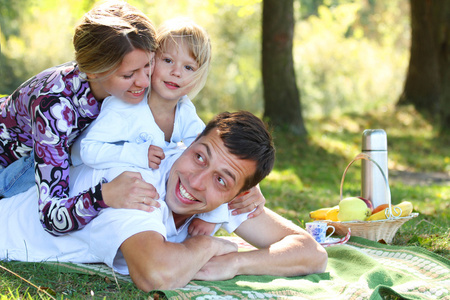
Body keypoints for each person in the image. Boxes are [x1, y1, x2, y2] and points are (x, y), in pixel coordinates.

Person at [0, 111, 328, 292]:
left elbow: (310, 253)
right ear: (189, 143)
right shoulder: (135, 182)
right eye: (200, 157)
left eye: (220, 180)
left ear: (238, 194)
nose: (195, 182)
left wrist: (237, 262)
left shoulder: (224, 198)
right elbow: (155, 274)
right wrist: (206, 247)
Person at [74, 17, 263, 235]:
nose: (177, 72)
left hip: (145, 193)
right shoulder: (123, 106)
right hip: (94, 186)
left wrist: (248, 188)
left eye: (188, 67)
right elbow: (88, 151)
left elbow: (218, 155)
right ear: (151, 61)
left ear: (198, 76)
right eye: (168, 61)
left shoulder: (184, 110)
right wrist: (137, 154)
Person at [0, 1, 161, 235]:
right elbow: (52, 217)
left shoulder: (126, 84)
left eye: (148, 65)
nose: (145, 82)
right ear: (94, 70)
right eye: (128, 75)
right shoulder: (54, 110)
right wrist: (104, 194)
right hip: (10, 168)